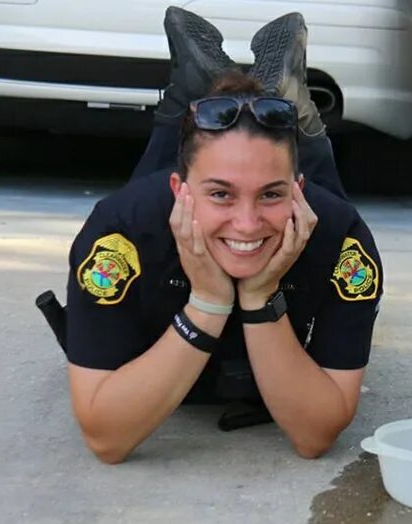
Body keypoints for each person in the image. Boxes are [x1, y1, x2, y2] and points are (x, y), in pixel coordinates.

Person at [53, 7, 382, 464]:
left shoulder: (342, 239)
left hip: (308, 203)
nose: (246, 224)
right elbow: (107, 438)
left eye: (272, 194)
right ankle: (187, 101)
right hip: (162, 206)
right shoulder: (120, 232)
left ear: (296, 192)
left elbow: (314, 435)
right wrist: (206, 302)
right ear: (179, 193)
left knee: (303, 174)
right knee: (187, 162)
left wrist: (262, 294)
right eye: (222, 195)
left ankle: (292, 108)